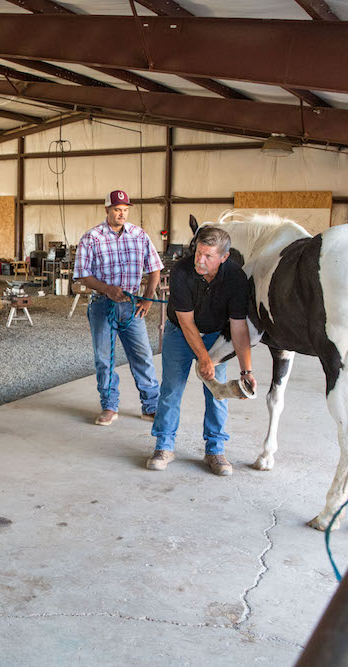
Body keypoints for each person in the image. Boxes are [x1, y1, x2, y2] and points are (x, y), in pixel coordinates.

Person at [147, 226, 257, 475]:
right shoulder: (181, 271)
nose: (200, 260)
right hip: (180, 332)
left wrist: (246, 371)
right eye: (198, 252)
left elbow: (239, 327)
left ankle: (215, 449)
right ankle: (164, 446)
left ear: (224, 257)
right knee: (171, 388)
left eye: (208, 256)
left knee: (218, 392)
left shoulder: (236, 278)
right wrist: (204, 359)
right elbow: (186, 322)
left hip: (215, 335)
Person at [72, 189, 163, 426]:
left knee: (142, 356)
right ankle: (109, 406)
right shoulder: (92, 238)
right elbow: (82, 274)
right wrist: (107, 289)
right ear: (107, 210)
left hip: (132, 306)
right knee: (105, 359)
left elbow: (154, 268)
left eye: (125, 210)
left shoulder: (139, 235)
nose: (121, 214)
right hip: (103, 305)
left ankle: (151, 406)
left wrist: (148, 297)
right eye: (117, 209)